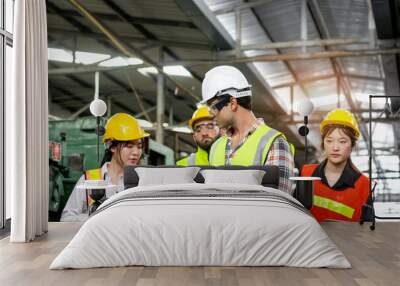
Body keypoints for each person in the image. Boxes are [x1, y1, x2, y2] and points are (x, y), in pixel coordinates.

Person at [201, 65, 294, 194]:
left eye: (213, 107)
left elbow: (279, 202)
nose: (211, 114)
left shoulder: (274, 143)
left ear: (233, 103)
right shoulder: (216, 147)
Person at [60, 113, 149, 222]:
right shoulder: (89, 179)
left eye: (139, 147)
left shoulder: (141, 182)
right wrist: (94, 218)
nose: (136, 152)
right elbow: (66, 218)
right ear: (112, 146)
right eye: (129, 146)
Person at [301, 108, 370, 222]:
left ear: (352, 145)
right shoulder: (306, 175)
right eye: (329, 141)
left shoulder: (364, 186)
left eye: (342, 141)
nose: (335, 147)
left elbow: (368, 231)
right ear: (323, 143)